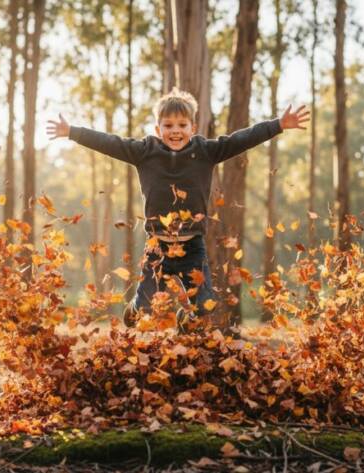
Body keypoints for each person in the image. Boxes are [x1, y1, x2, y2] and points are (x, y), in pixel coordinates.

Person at [47, 88, 310, 331]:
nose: (176, 131)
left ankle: (187, 318)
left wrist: (277, 125)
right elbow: (109, 142)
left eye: (182, 125)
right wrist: (72, 131)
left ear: (193, 127)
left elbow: (240, 139)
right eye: (168, 125)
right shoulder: (144, 151)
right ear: (157, 128)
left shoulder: (206, 151)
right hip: (157, 246)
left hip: (192, 245)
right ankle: (136, 307)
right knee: (148, 306)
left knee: (204, 304)